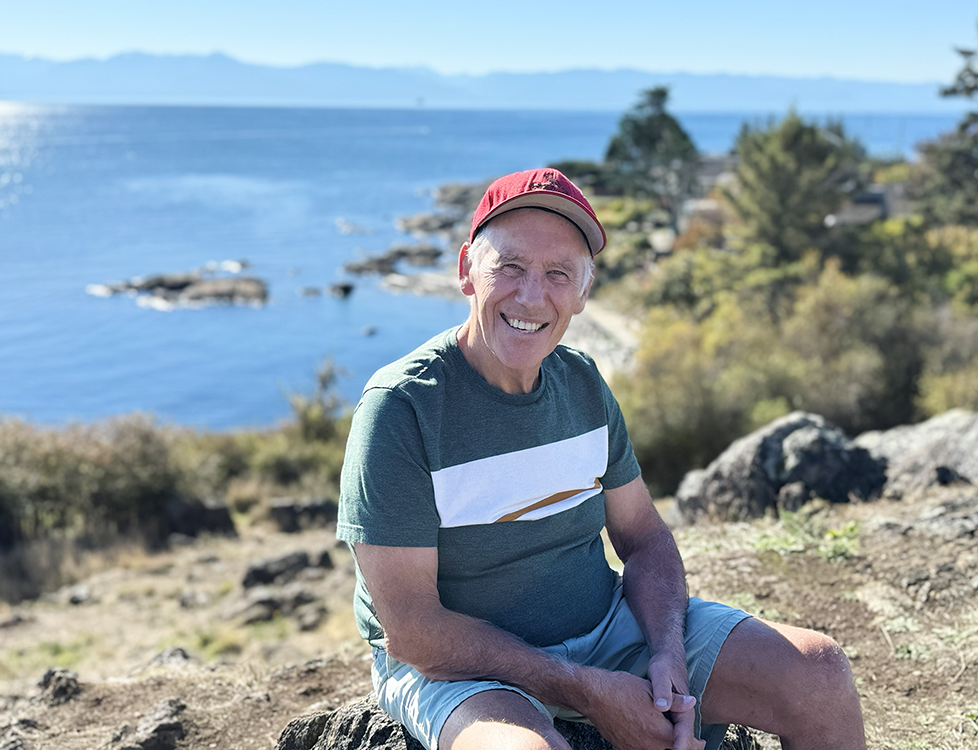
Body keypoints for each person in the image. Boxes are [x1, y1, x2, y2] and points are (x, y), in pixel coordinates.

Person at [336, 168, 866, 750]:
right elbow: (413, 631)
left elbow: (643, 537)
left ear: (584, 293)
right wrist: (587, 690)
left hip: (608, 629)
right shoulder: (402, 408)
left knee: (820, 673)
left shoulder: (583, 382)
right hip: (462, 670)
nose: (532, 294)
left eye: (559, 273)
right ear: (466, 269)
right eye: (509, 266)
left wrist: (668, 657)